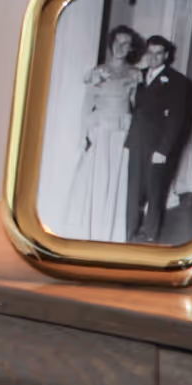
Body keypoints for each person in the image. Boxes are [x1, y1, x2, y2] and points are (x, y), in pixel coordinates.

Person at [60, 25, 142, 241]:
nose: (121, 47)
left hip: (122, 132)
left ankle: (110, 232)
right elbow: (88, 104)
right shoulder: (98, 72)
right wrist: (83, 135)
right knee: (99, 177)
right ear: (111, 43)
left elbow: (134, 104)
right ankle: (92, 230)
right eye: (118, 42)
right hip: (101, 131)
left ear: (131, 48)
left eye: (126, 44)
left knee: (117, 178)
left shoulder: (134, 74)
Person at [125, 35, 192, 244]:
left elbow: (175, 120)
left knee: (155, 191)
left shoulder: (177, 81)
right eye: (150, 53)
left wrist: (163, 150)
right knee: (132, 189)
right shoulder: (138, 76)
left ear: (166, 55)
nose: (153, 57)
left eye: (158, 53)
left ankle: (149, 234)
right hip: (136, 143)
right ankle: (129, 230)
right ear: (146, 54)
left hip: (157, 147)